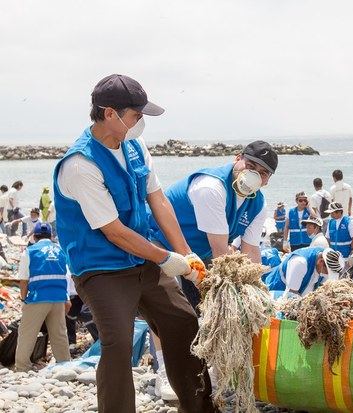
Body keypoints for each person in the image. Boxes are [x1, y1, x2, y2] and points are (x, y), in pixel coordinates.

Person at [53, 74, 213, 412]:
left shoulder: (136, 147)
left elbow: (159, 201)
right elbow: (114, 231)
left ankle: (200, 408)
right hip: (101, 268)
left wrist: (186, 253)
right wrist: (167, 259)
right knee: (117, 343)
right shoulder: (80, 164)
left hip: (142, 259)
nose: (140, 123)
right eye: (136, 115)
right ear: (110, 114)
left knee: (183, 323)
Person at [150, 140, 276, 311]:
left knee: (204, 308)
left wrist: (256, 291)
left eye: (262, 173)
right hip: (160, 242)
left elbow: (251, 250)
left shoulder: (258, 204)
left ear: (267, 180)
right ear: (237, 158)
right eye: (250, 166)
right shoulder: (212, 187)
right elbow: (220, 253)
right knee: (176, 310)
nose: (254, 175)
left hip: (199, 253)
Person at [15, 222, 70, 371]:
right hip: (58, 298)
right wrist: (67, 299)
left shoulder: (30, 251)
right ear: (51, 236)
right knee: (59, 334)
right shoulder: (60, 251)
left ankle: (22, 367)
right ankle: (65, 364)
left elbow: (24, 280)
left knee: (27, 333)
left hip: (38, 298)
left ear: (34, 236)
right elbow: (66, 276)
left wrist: (23, 299)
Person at [262, 247, 344, 297]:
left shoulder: (324, 259)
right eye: (327, 272)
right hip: (279, 288)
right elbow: (291, 294)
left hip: (300, 290)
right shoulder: (300, 263)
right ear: (321, 262)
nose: (326, 275)